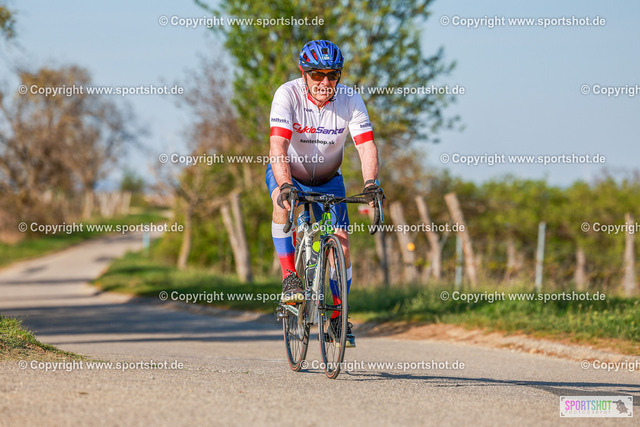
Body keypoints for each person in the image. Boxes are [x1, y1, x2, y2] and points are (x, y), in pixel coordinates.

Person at [266, 40, 384, 347]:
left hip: (330, 179)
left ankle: (337, 316)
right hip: (290, 173)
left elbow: (365, 145)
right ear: (303, 73)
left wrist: (370, 183)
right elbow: (278, 145)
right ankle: (290, 277)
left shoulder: (350, 99)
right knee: (281, 203)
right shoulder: (287, 94)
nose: (324, 82)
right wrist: (286, 185)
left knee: (341, 245)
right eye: (317, 74)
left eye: (332, 75)